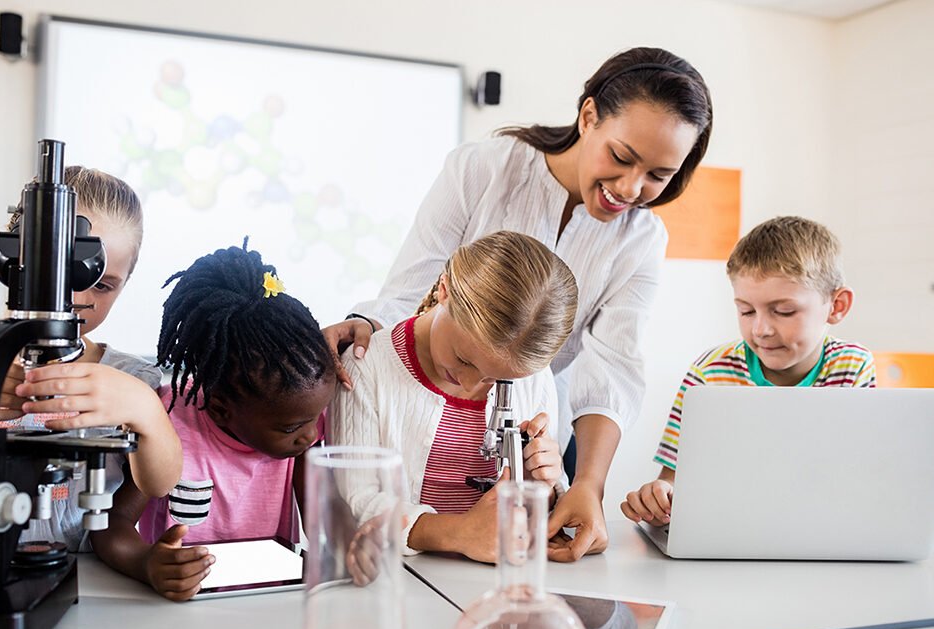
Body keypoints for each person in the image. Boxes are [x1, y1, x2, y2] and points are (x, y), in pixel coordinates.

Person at [323, 46, 713, 560]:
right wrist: (364, 328)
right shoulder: (483, 170)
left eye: (659, 176)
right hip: (420, 415)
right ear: (588, 115)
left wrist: (586, 487)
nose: (630, 187)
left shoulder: (642, 239)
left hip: (536, 418)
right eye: (621, 157)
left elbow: (613, 368)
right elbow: (409, 289)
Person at [91, 241, 337, 602]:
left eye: (316, 417)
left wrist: (348, 545)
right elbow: (111, 526)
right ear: (221, 410)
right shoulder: (170, 424)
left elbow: (321, 516)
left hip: (270, 601)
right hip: (188, 604)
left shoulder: (297, 423)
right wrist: (147, 563)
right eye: (292, 428)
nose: (312, 434)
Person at [328, 231, 577, 564]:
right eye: (464, 359)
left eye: (497, 378)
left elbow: (545, 501)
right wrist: (458, 533)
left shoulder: (534, 378)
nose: (470, 382)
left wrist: (543, 485)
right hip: (400, 575)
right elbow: (357, 500)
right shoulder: (368, 367)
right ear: (444, 291)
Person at [0, 167, 181, 552]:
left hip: (90, 577)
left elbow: (159, 484)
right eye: (62, 274)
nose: (76, 297)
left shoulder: (132, 379)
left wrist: (145, 410)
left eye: (101, 284)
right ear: (14, 259)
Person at [621, 216, 876, 526]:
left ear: (836, 306)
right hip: (731, 529)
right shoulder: (709, 373)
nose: (761, 329)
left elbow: (858, 476)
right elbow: (674, 479)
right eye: (746, 310)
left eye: (784, 311)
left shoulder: (852, 367)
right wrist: (662, 496)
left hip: (821, 529)